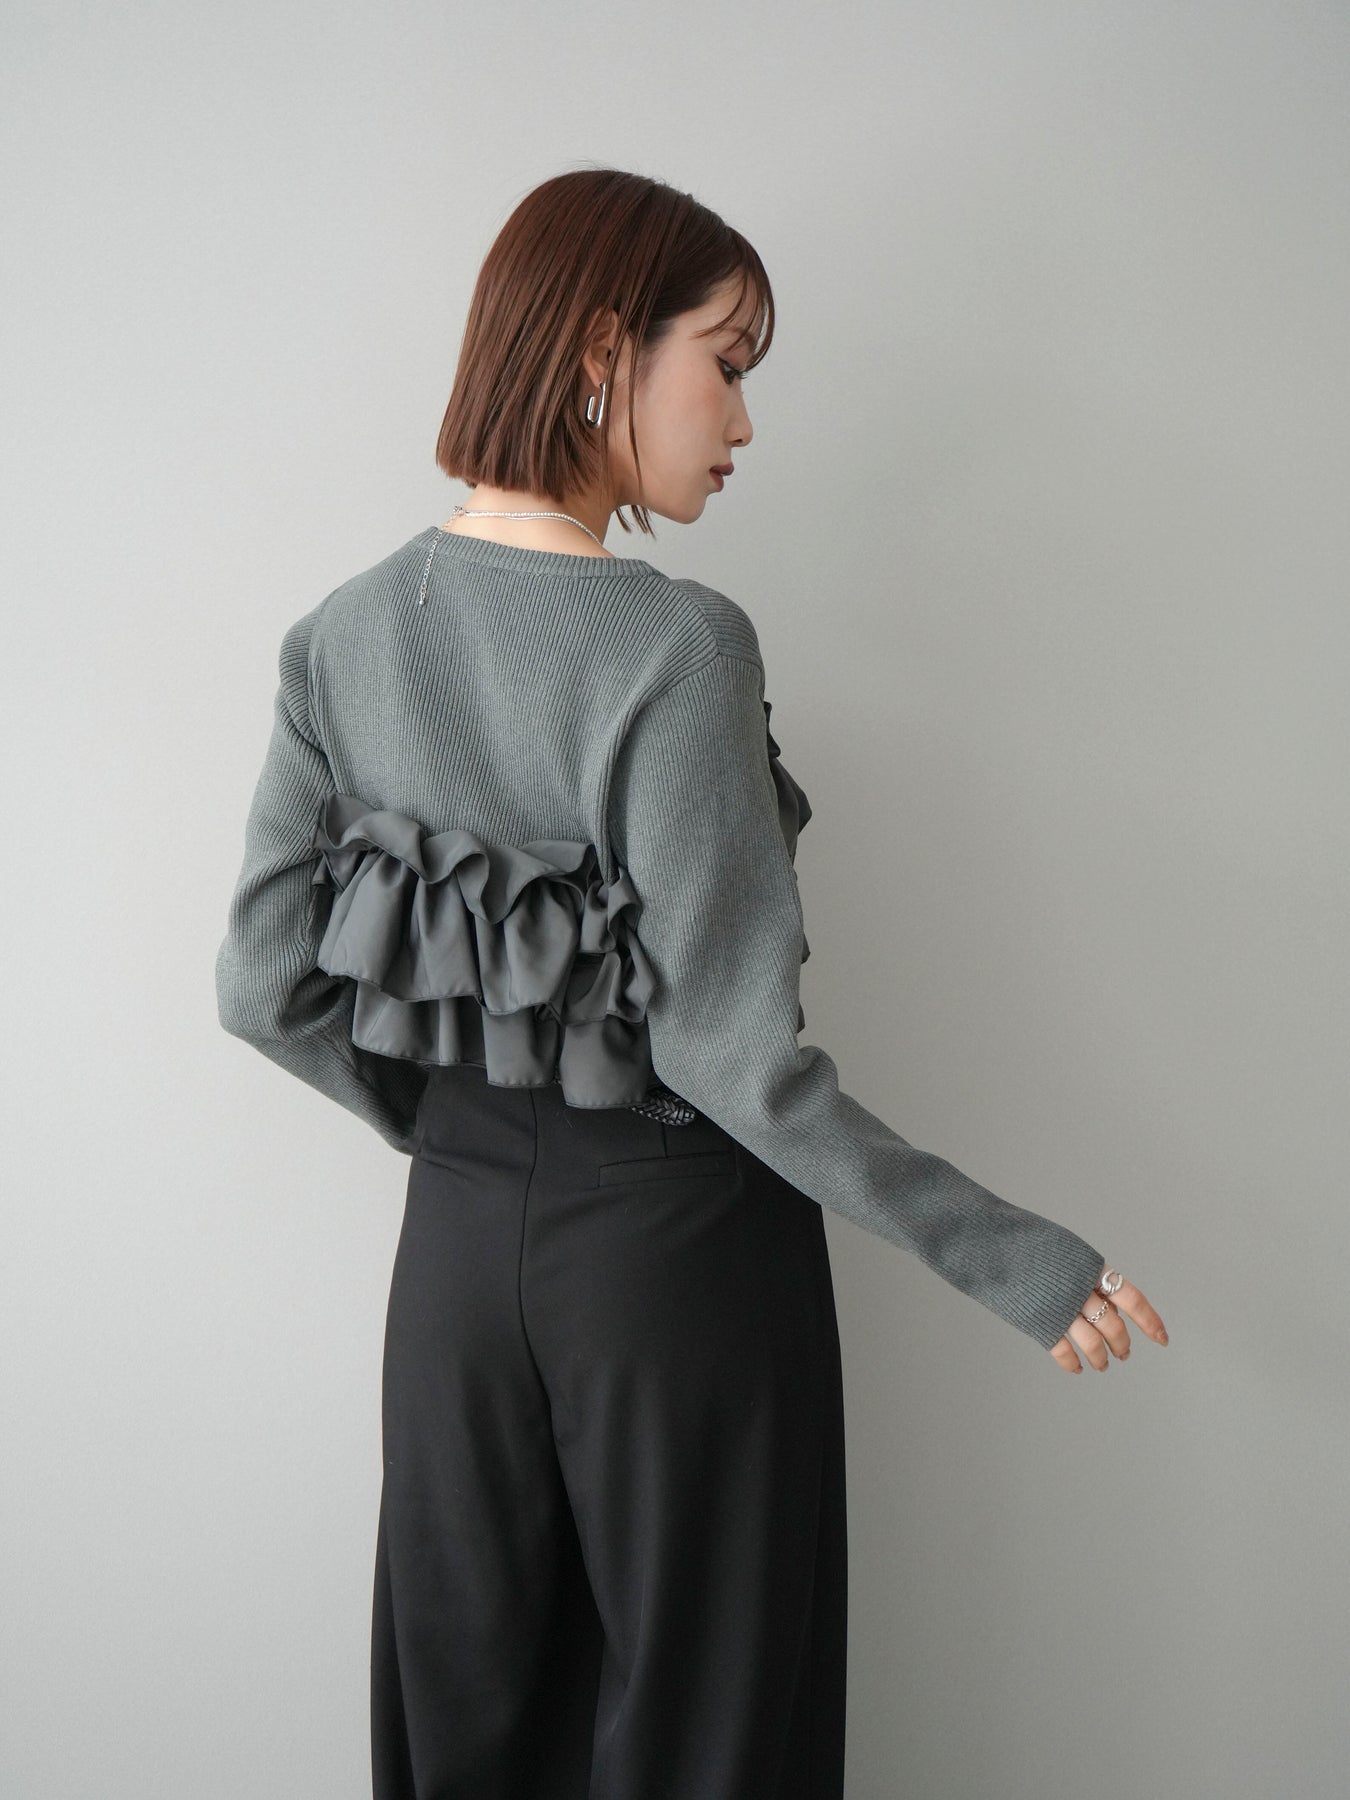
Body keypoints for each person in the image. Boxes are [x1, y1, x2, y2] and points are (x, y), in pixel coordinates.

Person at [214, 166, 1170, 1800]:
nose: (740, 419)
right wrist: (1011, 1257)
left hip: (453, 1262)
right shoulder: (677, 646)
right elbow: (739, 1061)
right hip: (674, 1263)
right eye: (723, 363)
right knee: (706, 1742)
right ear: (603, 350)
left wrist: (464, 1139)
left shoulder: (340, 636)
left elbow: (262, 988)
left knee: (467, 1730)